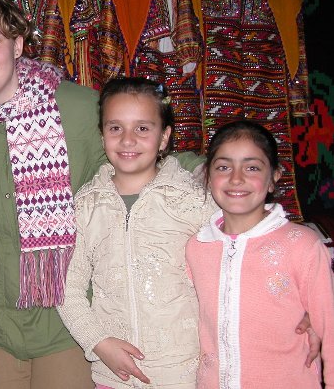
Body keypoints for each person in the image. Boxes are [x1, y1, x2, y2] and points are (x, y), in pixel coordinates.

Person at [0, 0, 111, 389]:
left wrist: (207, 171)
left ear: (18, 44)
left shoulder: (82, 109)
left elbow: (141, 158)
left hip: (69, 326)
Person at [57, 77, 215, 388]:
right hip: (113, 374)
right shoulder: (85, 206)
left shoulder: (194, 200)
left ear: (164, 136)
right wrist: (99, 343)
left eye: (142, 128)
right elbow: (67, 289)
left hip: (185, 372)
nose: (128, 140)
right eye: (115, 128)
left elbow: (241, 261)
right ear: (102, 136)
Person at [186, 120, 334, 388]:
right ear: (208, 176)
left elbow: (331, 332)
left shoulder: (302, 245)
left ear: (274, 177)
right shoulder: (197, 247)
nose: (236, 178)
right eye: (223, 167)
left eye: (252, 167)